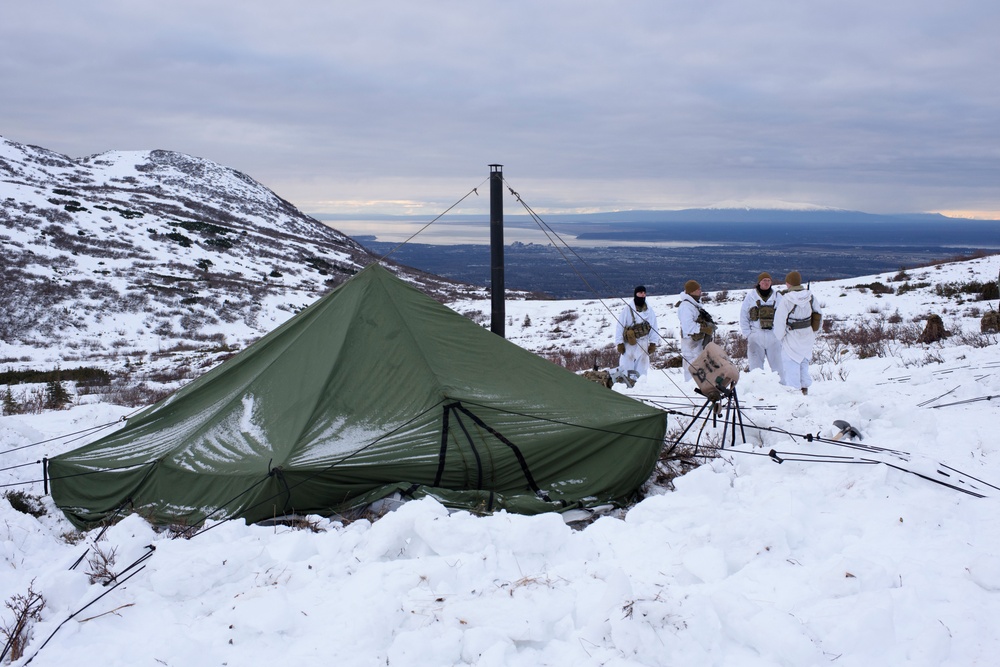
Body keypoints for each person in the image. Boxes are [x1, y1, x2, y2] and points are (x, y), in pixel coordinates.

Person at [773, 270, 822, 395]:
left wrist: (780, 336)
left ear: (789, 283)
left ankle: (794, 391)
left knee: (791, 364)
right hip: (807, 335)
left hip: (792, 335)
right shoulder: (810, 297)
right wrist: (814, 332)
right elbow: (818, 316)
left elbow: (779, 320)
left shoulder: (787, 299)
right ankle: (804, 388)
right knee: (804, 362)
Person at [739, 272, 783, 374]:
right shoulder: (751, 297)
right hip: (756, 335)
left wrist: (779, 333)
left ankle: (782, 388)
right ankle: (756, 387)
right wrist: (748, 334)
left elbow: (783, 315)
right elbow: (743, 315)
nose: (766, 283)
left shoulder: (777, 297)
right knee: (755, 367)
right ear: (759, 282)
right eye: (764, 280)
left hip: (773, 335)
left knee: (779, 367)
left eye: (768, 280)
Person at [615, 285, 658, 377]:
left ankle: (640, 386)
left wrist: (653, 343)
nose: (642, 295)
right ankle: (625, 385)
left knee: (642, 368)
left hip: (643, 342)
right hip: (630, 343)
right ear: (635, 294)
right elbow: (620, 326)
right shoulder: (627, 310)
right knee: (626, 367)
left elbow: (653, 327)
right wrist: (619, 343)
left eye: (644, 293)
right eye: (640, 293)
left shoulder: (649, 311)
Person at [677, 280, 716, 381]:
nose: (700, 291)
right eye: (697, 289)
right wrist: (703, 328)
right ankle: (690, 389)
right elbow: (688, 327)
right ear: (691, 291)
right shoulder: (686, 306)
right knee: (692, 369)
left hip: (698, 344)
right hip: (690, 344)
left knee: (700, 369)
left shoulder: (693, 305)